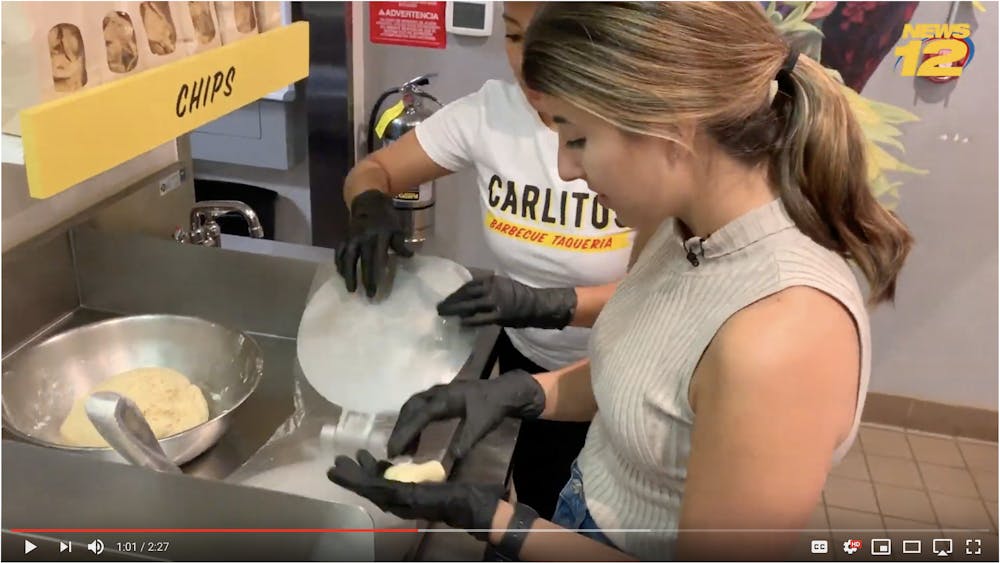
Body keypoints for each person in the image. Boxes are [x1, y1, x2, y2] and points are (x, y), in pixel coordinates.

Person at [329, 2, 914, 561]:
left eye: (577, 138)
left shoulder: (783, 336)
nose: (564, 169)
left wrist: (498, 521)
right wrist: (524, 392)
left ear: (670, 128)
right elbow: (654, 379)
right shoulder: (682, 230)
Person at [334, 2, 634, 519]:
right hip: (531, 363)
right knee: (544, 492)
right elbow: (373, 171)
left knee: (608, 511)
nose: (525, 60)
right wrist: (370, 206)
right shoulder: (489, 114)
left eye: (545, 37)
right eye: (514, 37)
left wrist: (552, 303)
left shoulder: (639, 128)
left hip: (628, 368)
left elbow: (670, 296)